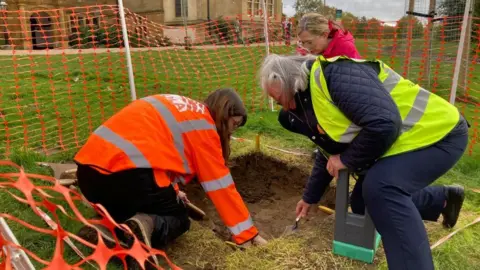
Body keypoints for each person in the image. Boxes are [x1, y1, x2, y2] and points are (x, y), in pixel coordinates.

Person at [258, 53, 469, 270]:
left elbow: (384, 124)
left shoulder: (336, 76)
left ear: (292, 82)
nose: (283, 107)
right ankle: (442, 200)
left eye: (279, 98)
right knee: (361, 203)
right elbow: (327, 151)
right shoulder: (303, 106)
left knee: (380, 187)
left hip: (438, 132)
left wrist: (346, 159)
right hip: (397, 142)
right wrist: (310, 197)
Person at [74, 88, 267, 269]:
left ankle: (106, 231)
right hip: (127, 177)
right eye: (234, 124)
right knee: (180, 218)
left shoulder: (184, 109)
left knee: (137, 205)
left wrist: (173, 190)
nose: (233, 132)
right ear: (224, 113)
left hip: (89, 176)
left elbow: (157, 154)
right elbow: (221, 186)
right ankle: (146, 224)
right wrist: (247, 234)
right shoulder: (204, 129)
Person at [295, 13, 361, 58]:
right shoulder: (303, 50)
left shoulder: (345, 49)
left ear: (324, 35)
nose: (306, 47)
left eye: (310, 42)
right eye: (302, 42)